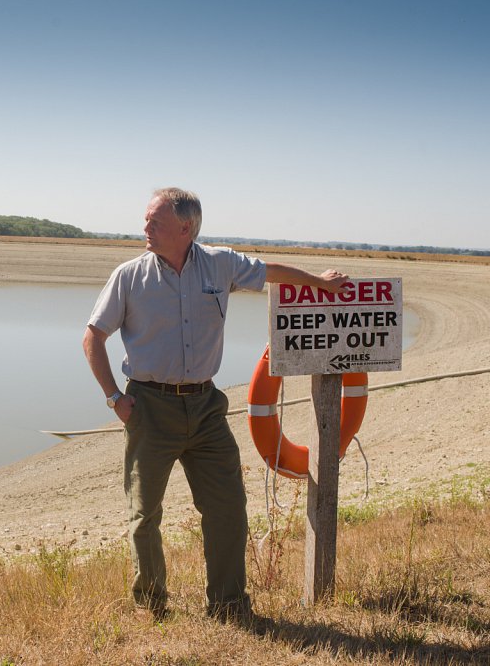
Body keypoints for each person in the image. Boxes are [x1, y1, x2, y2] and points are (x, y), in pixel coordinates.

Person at [83, 187, 347, 622]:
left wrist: (321, 283)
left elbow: (270, 271)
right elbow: (93, 337)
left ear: (186, 228)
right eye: (147, 220)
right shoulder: (129, 276)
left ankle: (228, 604)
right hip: (149, 405)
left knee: (227, 508)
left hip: (206, 405)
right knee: (144, 513)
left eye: (156, 222)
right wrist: (115, 398)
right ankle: (152, 605)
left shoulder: (220, 263)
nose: (145, 228)